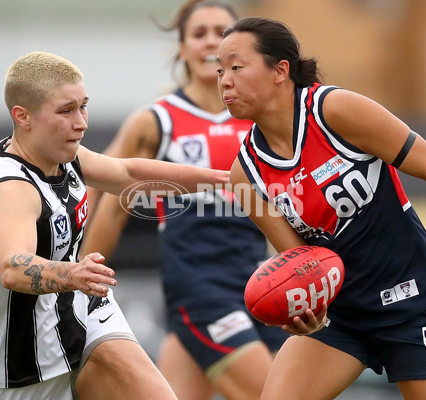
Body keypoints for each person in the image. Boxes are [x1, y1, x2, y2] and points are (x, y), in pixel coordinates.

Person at [216, 17, 426, 400]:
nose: (224, 80)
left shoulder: (334, 110)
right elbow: (298, 259)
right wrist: (306, 313)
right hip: (342, 317)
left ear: (280, 71)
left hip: (412, 301)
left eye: (236, 67)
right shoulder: (244, 176)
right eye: (220, 70)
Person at [0, 51, 229, 400]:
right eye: (66, 111)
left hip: (80, 314)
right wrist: (73, 275)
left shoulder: (60, 155)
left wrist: (225, 179)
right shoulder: (12, 189)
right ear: (22, 117)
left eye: (83, 106)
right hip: (13, 365)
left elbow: (128, 174)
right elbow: (12, 267)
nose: (81, 122)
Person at [79, 2, 289, 400]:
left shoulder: (264, 118)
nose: (211, 41)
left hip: (260, 279)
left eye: (222, 33)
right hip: (199, 285)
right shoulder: (158, 119)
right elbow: (103, 192)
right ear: (181, 49)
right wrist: (78, 285)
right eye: (199, 33)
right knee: (279, 392)